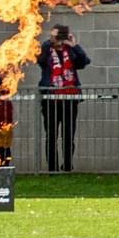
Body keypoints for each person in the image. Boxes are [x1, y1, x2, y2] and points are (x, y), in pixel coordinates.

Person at [37, 24, 90, 173]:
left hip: (69, 98)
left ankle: (67, 166)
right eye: (55, 36)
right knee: (51, 135)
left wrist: (75, 45)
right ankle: (52, 168)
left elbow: (84, 62)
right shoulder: (47, 50)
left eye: (59, 36)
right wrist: (50, 42)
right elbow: (40, 60)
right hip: (51, 100)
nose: (57, 39)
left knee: (68, 135)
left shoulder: (70, 51)